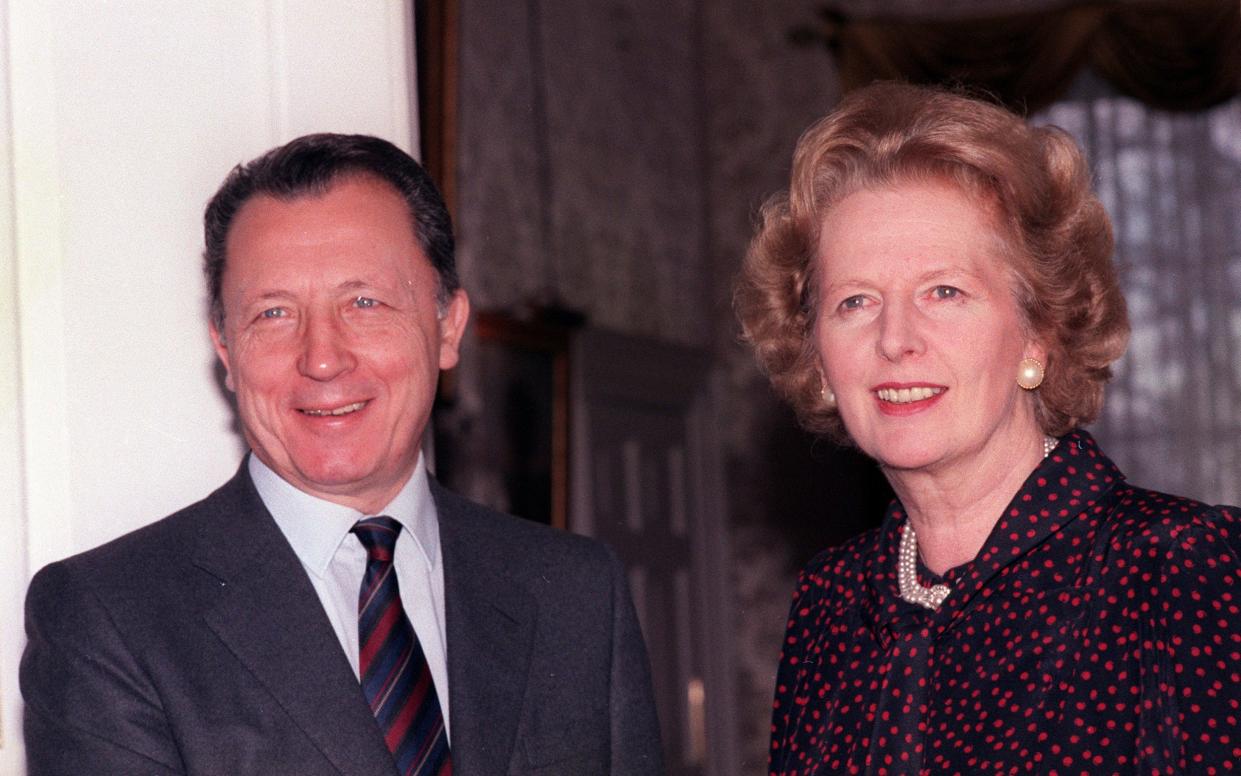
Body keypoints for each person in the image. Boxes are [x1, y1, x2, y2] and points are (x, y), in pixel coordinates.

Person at [21, 134, 663, 775]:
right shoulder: (109, 620)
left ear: (448, 327)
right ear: (225, 349)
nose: (322, 358)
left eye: (364, 303)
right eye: (273, 314)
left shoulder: (575, 593)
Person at [735, 82, 1241, 775]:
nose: (895, 339)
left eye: (943, 291)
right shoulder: (830, 604)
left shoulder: (1182, 567)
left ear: (1040, 333)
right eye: (854, 301)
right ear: (817, 357)